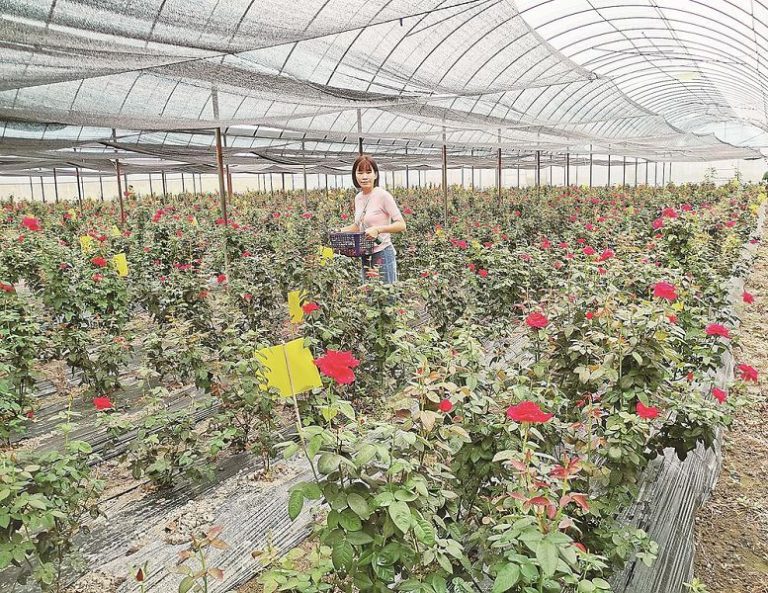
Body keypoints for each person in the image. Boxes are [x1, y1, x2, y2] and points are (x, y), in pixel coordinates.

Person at [338, 155, 406, 284]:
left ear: (375, 174)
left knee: (386, 299)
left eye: (368, 172)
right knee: (369, 298)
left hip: (382, 253)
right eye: (360, 172)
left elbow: (401, 225)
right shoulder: (358, 198)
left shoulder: (383, 196)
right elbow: (358, 226)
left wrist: (378, 229)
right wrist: (339, 230)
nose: (364, 176)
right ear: (355, 175)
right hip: (365, 254)